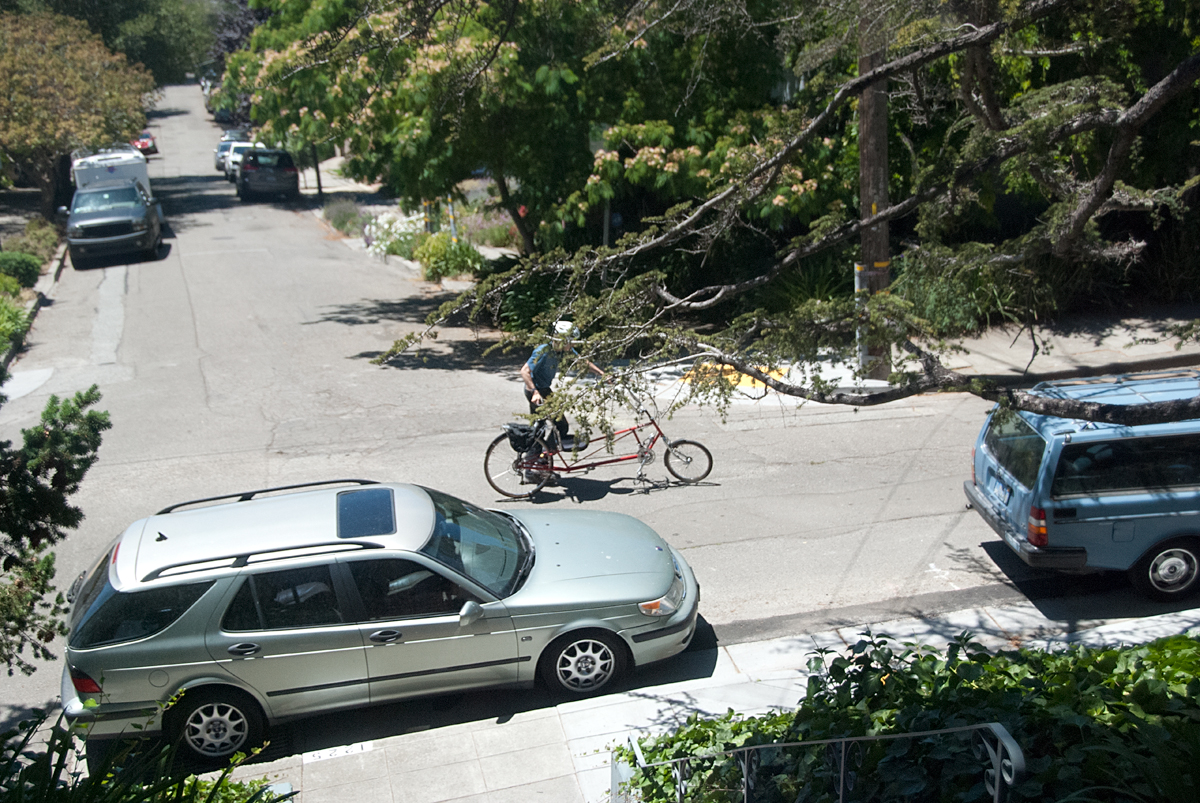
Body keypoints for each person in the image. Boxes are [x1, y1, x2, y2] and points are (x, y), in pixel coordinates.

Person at [520, 320, 604, 446]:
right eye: (571, 341)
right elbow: (524, 371)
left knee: (542, 427)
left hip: (544, 389)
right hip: (536, 391)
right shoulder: (543, 351)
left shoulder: (564, 351)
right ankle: (540, 457)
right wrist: (535, 392)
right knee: (558, 426)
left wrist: (603, 374)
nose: (573, 345)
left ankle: (539, 457)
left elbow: (582, 362)